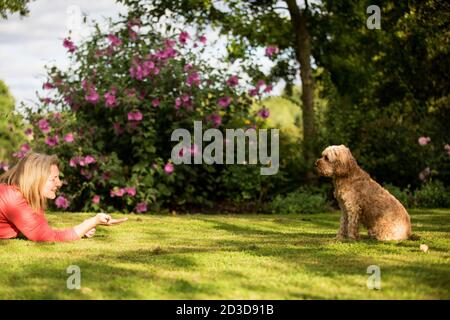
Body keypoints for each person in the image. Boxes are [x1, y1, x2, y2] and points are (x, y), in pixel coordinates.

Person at [0, 152, 127, 242]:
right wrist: (92, 222)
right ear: (35, 179)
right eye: (53, 178)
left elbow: (43, 230)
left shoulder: (25, 196)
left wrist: (82, 229)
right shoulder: (13, 199)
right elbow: (46, 237)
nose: (59, 183)